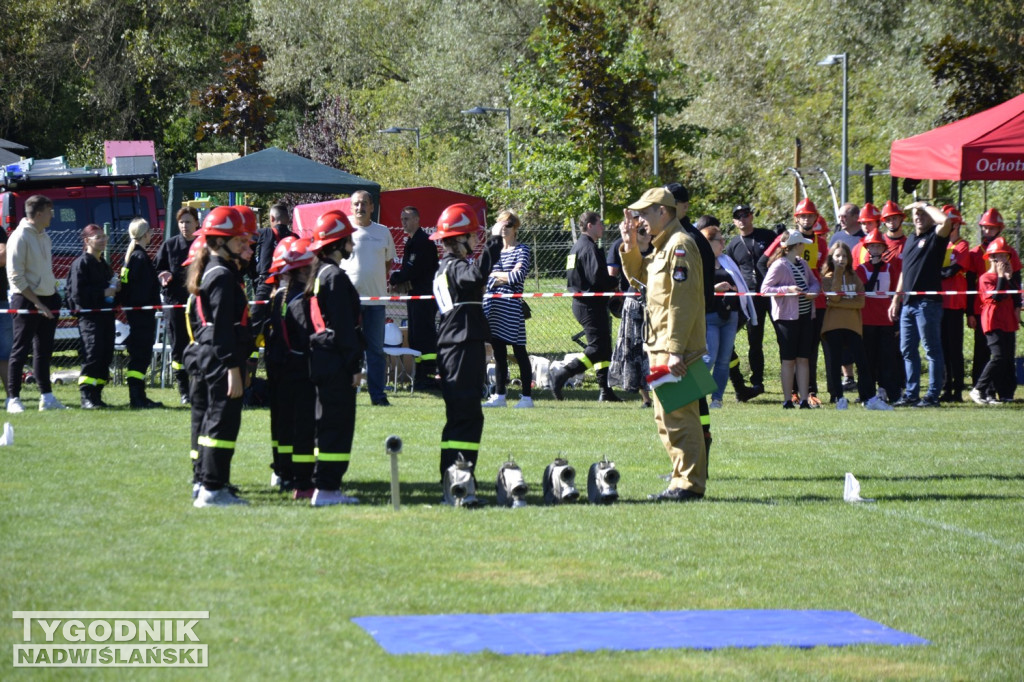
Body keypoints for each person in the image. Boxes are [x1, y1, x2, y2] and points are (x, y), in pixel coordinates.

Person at [619, 187, 706, 501]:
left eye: (645, 212)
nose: (639, 218)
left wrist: (675, 350)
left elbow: (682, 303)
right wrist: (630, 246)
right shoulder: (662, 246)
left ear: (663, 212)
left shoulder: (680, 245)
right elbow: (639, 279)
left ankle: (689, 485)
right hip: (661, 345)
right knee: (665, 417)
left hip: (674, 349)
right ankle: (680, 480)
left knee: (681, 417)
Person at [188, 207, 254, 507]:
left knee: (213, 421)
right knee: (221, 423)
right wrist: (232, 367)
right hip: (220, 360)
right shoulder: (223, 277)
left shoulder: (215, 272)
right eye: (238, 240)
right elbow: (223, 328)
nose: (244, 245)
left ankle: (206, 482)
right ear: (220, 242)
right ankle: (213, 489)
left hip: (213, 357)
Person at [431, 203, 489, 506]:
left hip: (457, 345)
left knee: (460, 416)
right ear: (458, 238)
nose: (477, 240)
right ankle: (460, 476)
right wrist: (495, 246)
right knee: (467, 416)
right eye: (473, 235)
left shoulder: (446, 266)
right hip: (461, 347)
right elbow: (475, 277)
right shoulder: (454, 265)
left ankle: (454, 475)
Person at [305, 211, 364, 506]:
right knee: (337, 425)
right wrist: (355, 365)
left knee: (324, 423)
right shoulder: (335, 277)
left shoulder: (318, 275)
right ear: (338, 243)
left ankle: (324, 485)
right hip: (336, 361)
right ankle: (328, 489)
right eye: (348, 239)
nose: (352, 243)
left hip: (320, 357)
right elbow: (344, 327)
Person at [760, 198, 828, 406]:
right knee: (789, 358)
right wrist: (785, 291)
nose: (807, 219)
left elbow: (816, 280)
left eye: (810, 215)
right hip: (787, 315)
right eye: (803, 215)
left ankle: (807, 395)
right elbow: (764, 284)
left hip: (808, 311)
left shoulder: (807, 258)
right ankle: (789, 397)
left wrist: (813, 292)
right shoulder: (780, 261)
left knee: (805, 356)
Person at [888, 202, 954, 408]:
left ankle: (932, 396)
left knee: (931, 350)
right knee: (907, 350)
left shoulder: (936, 236)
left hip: (928, 304)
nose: (918, 217)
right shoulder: (909, 241)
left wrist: (925, 205)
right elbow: (904, 272)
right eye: (916, 214)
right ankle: (912, 394)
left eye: (923, 214)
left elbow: (947, 221)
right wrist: (896, 299)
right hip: (908, 304)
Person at [550, 211, 620, 402]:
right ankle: (563, 374)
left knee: (604, 349)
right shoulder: (588, 248)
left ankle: (605, 391)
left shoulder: (577, 247)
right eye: (600, 224)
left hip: (585, 303)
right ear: (590, 225)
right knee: (597, 348)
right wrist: (615, 281)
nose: (603, 227)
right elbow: (597, 277)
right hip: (589, 305)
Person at [6, 194, 65, 413]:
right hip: (26, 299)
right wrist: (37, 303)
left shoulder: (45, 236)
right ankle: (13, 399)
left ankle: (47, 398)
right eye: (50, 211)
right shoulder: (19, 237)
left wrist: (52, 295)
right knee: (20, 349)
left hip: (48, 298)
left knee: (44, 351)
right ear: (39, 213)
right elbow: (15, 276)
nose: (52, 215)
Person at [340, 190, 396, 406]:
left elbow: (387, 263)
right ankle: (347, 394)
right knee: (348, 349)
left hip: (376, 302)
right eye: (356, 204)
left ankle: (378, 396)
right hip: (348, 303)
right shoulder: (344, 230)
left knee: (375, 351)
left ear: (372, 207)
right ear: (350, 206)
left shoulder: (383, 232)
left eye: (364, 203)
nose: (360, 208)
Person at [257, 235, 303, 491]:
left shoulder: (275, 293)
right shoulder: (291, 296)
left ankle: (281, 469)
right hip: (289, 366)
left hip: (276, 364)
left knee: (280, 422)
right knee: (292, 422)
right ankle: (288, 470)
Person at [820, 242, 887, 410]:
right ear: (831, 258)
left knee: (862, 363)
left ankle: (870, 398)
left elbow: (861, 302)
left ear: (849, 258)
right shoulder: (827, 277)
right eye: (837, 256)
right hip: (833, 326)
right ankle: (839, 398)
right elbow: (833, 298)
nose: (841, 259)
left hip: (853, 326)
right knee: (835, 363)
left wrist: (839, 302)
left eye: (843, 256)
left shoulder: (854, 276)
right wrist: (838, 274)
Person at [482, 210, 534, 408]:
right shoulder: (495, 251)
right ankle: (500, 395)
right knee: (498, 352)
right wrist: (497, 277)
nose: (504, 229)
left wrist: (496, 277)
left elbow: (517, 276)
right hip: (493, 307)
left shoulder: (522, 250)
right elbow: (485, 275)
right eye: (501, 225)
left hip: (512, 308)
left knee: (519, 351)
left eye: (508, 225)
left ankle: (527, 397)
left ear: (515, 228)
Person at [700, 220, 753, 408]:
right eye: (719, 240)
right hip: (710, 317)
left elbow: (740, 284)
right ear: (708, 241)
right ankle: (695, 395)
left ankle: (717, 398)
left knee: (723, 361)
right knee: (709, 358)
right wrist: (716, 288)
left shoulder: (726, 260)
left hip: (730, 316)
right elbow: (696, 289)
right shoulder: (699, 262)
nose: (723, 243)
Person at [966, 208, 1021, 390]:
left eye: (992, 228)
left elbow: (1016, 280)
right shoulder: (975, 252)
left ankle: (1005, 390)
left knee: (1005, 352)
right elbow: (969, 284)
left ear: (1000, 229)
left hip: (1004, 308)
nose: (987, 232)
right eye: (985, 228)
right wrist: (970, 312)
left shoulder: (1009, 252)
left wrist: (1017, 305)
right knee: (982, 351)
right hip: (983, 308)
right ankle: (981, 388)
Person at [724, 203, 774, 399]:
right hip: (750, 297)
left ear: (751, 216)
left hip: (771, 293)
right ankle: (757, 380)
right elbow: (730, 272)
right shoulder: (733, 244)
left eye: (745, 215)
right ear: (734, 221)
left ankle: (795, 383)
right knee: (755, 340)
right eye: (738, 216)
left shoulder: (767, 236)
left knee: (783, 337)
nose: (742, 219)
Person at [388, 206, 440, 389]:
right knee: (416, 335)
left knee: (424, 334)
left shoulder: (422, 241)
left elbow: (413, 269)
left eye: (407, 218)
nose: (404, 222)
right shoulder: (412, 241)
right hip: (415, 294)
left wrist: (395, 277)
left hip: (424, 295)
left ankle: (428, 373)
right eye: (402, 219)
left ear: (417, 220)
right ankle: (419, 374)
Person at [66, 225, 117, 409]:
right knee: (93, 353)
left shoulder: (103, 264)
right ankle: (86, 396)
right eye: (98, 237)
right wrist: (104, 292)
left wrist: (115, 289)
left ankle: (97, 396)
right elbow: (77, 294)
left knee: (105, 355)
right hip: (89, 317)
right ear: (87, 241)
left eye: (104, 236)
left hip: (106, 316)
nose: (103, 240)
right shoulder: (81, 263)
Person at [608, 211, 653, 407]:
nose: (643, 232)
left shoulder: (658, 250)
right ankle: (645, 397)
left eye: (644, 229)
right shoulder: (623, 248)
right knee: (634, 351)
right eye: (639, 229)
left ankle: (660, 392)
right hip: (634, 305)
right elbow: (619, 276)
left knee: (652, 351)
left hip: (654, 305)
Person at [156, 207, 201, 404]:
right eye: (181, 222)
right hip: (175, 304)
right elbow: (157, 268)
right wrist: (162, 275)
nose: (184, 225)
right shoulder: (170, 245)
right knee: (178, 347)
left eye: (188, 221)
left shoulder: (203, 245)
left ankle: (200, 386)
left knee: (201, 345)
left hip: (199, 303)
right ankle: (184, 390)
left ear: (197, 223)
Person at [118, 218, 163, 409]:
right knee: (141, 355)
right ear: (146, 234)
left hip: (138, 314)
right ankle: (137, 397)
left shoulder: (132, 257)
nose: (152, 234)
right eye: (150, 231)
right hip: (142, 315)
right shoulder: (140, 258)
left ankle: (139, 396)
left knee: (141, 355)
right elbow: (141, 288)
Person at [856, 230, 900, 404]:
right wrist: (874, 267)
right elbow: (864, 289)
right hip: (866, 319)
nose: (875, 248)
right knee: (867, 359)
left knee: (887, 359)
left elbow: (897, 291)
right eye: (872, 245)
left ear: (883, 248)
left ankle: (890, 392)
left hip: (885, 319)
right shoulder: (860, 269)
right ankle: (866, 393)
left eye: (878, 245)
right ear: (868, 248)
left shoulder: (891, 268)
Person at [938, 205, 969, 402]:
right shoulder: (940, 245)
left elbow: (952, 271)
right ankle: (945, 387)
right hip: (939, 303)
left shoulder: (961, 246)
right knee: (942, 348)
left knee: (954, 348)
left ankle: (957, 388)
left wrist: (935, 272)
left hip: (955, 304)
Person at [254, 201, 296, 304]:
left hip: (266, 283)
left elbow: (248, 249)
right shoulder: (295, 238)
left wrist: (254, 272)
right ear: (288, 219)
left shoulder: (264, 233)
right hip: (289, 283)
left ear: (272, 218)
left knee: (260, 315)